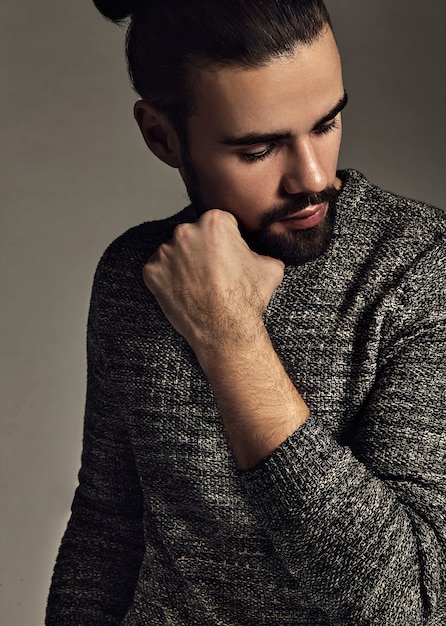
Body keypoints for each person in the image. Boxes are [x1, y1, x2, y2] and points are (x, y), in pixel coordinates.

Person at [46, 0, 446, 624]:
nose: (313, 177)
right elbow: (107, 527)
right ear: (161, 135)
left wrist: (231, 341)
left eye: (326, 123)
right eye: (259, 149)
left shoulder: (419, 267)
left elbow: (415, 601)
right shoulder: (133, 275)